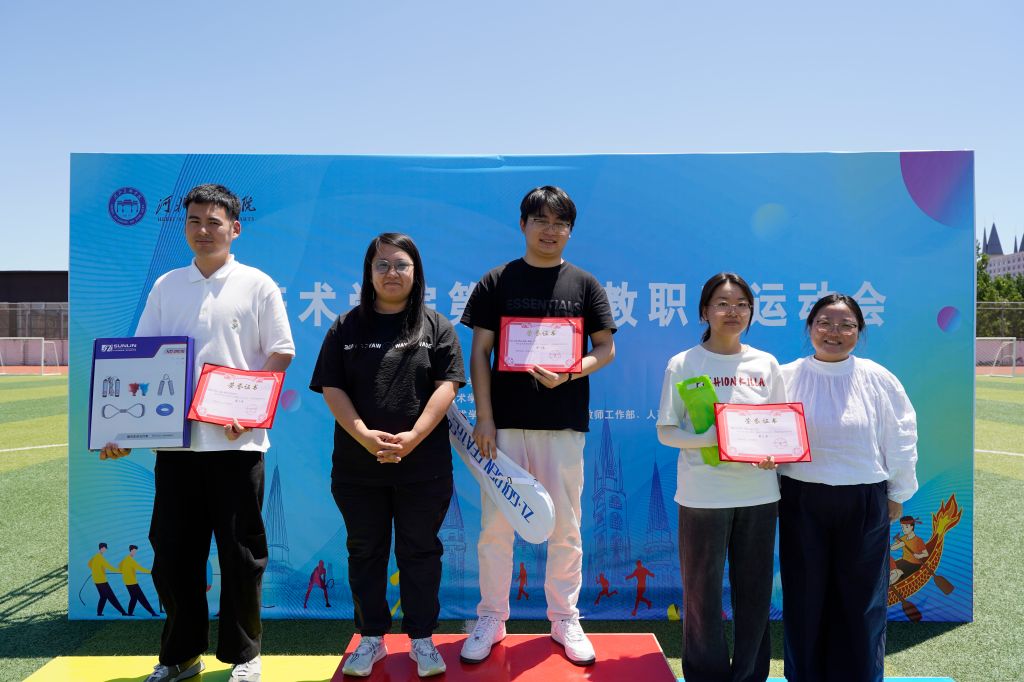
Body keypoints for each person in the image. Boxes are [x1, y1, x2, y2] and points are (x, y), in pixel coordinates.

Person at [100, 183, 295, 682]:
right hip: (176, 445)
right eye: (194, 221)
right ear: (184, 227)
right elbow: (140, 358)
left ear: (235, 228)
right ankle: (180, 656)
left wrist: (251, 411)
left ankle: (245, 656)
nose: (203, 230)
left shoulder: (257, 284)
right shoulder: (167, 285)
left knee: (241, 555)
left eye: (214, 222)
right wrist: (122, 428)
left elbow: (280, 352)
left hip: (237, 444)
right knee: (172, 555)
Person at [460, 186, 616, 666]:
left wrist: (570, 372)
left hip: (562, 425)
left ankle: (564, 617)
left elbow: (606, 349)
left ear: (570, 230)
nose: (551, 230)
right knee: (495, 526)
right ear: (523, 224)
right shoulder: (497, 280)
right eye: (541, 220)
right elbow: (479, 353)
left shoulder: (585, 285)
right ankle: (492, 616)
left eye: (560, 223)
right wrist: (485, 417)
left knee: (566, 525)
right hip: (504, 427)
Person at [310, 232, 465, 678]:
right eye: (382, 265)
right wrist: (363, 435)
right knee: (365, 552)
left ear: (416, 273)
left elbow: (448, 386)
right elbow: (332, 387)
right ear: (368, 273)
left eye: (401, 265)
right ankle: (371, 638)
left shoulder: (436, 326)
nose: (391, 273)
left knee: (421, 552)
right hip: (359, 467)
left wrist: (414, 436)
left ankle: (422, 638)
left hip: (424, 467)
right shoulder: (346, 327)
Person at [777, 292, 918, 682]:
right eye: (824, 323)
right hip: (800, 498)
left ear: (859, 331)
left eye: (846, 325)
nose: (834, 332)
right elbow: (766, 432)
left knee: (862, 598)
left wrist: (898, 492)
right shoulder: (785, 377)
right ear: (809, 328)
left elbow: (901, 435)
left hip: (864, 499)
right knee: (805, 595)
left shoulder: (877, 378)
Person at [656, 272, 784, 682]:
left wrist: (774, 453)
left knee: (755, 592)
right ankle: (705, 675)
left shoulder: (765, 364)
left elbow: (780, 426)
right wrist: (709, 438)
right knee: (701, 594)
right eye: (723, 304)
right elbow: (666, 431)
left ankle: (749, 675)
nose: (734, 312)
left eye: (742, 304)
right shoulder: (684, 363)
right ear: (705, 311)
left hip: (758, 495)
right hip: (703, 496)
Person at [88, 542, 126, 616]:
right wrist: (120, 571)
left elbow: (89, 564)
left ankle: (99, 613)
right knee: (112, 597)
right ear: (102, 548)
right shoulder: (100, 558)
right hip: (102, 581)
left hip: (96, 580)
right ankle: (123, 612)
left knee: (103, 597)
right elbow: (109, 567)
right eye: (105, 548)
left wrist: (96, 571)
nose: (105, 550)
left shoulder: (95, 557)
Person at [120, 544, 158, 616]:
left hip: (127, 582)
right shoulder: (130, 560)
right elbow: (140, 568)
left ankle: (130, 613)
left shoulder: (125, 559)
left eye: (135, 551)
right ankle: (152, 613)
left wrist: (125, 571)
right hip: (132, 583)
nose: (135, 552)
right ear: (131, 550)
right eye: (134, 551)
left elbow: (120, 567)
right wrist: (151, 572)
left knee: (134, 598)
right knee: (142, 598)